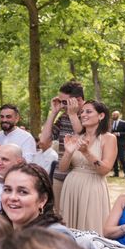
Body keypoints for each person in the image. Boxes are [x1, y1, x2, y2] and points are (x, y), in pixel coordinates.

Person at [59, 100, 117, 233]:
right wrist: (68, 152)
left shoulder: (109, 138)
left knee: (91, 228)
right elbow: (62, 168)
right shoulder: (76, 137)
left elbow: (104, 170)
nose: (83, 115)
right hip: (72, 185)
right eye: (82, 112)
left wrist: (86, 152)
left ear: (101, 116)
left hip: (93, 187)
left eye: (88, 111)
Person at [39, 80, 84, 210]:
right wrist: (53, 113)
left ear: (79, 100)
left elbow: (82, 139)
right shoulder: (64, 117)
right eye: (60, 101)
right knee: (58, 217)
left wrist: (73, 114)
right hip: (60, 176)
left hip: (79, 177)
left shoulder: (92, 114)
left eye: (65, 102)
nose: (62, 105)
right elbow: (43, 141)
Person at [1, 163, 75, 239]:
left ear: (42, 200)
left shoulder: (56, 236)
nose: (12, 197)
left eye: (23, 192)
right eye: (7, 190)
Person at [0, 104, 36, 169]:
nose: (4, 120)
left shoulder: (26, 138)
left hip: (17, 178)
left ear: (17, 118)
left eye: (8, 117)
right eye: (2, 117)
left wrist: (3, 153)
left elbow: (28, 164)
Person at [111, 110, 125, 177]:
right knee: (114, 158)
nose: (113, 116)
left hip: (121, 143)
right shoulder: (111, 123)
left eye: (114, 115)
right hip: (113, 143)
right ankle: (116, 173)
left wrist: (118, 133)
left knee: (122, 158)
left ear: (118, 115)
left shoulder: (124, 123)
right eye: (112, 115)